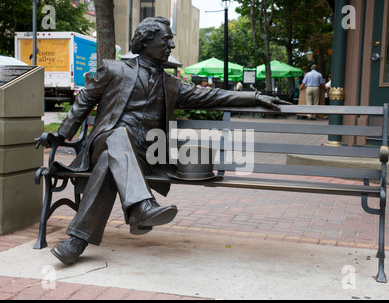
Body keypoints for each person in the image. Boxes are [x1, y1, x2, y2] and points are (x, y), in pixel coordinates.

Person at [39, 16, 285, 266]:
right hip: (105, 140)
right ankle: (141, 206)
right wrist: (60, 134)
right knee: (116, 136)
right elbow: (85, 100)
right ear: (146, 41)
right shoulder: (114, 70)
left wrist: (254, 96)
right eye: (166, 39)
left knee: (108, 162)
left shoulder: (171, 85)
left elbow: (212, 95)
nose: (171, 46)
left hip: (143, 158)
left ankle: (79, 241)